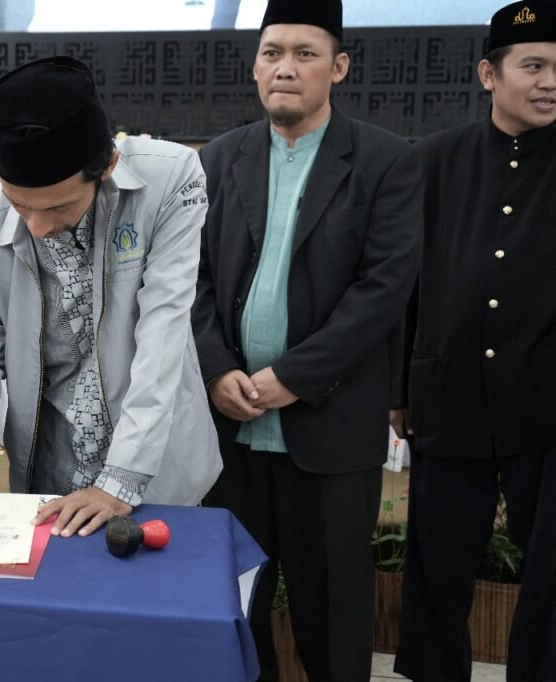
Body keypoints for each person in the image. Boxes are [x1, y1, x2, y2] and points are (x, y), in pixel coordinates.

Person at [191, 0, 423, 678]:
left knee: (333, 612)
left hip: (330, 429)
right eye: (272, 53)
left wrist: (292, 377)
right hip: (230, 432)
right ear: (255, 66)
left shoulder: (386, 161)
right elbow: (189, 282)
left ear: (339, 67)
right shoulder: (218, 159)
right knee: (232, 602)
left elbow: (383, 290)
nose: (285, 69)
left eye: (304, 54)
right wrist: (216, 369)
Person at [0, 56, 221, 538]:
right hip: (50, 470)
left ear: (107, 166)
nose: (37, 227)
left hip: (157, 466)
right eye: (19, 206)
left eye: (58, 207)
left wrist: (122, 478)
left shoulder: (170, 180)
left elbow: (164, 329)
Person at [394, 2, 556, 679]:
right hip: (447, 393)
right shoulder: (432, 160)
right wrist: (399, 390)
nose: (550, 82)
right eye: (534, 66)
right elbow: (402, 285)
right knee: (437, 566)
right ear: (490, 75)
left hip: (544, 401)